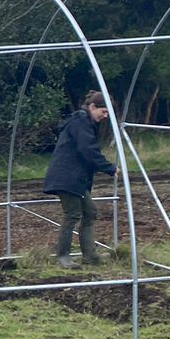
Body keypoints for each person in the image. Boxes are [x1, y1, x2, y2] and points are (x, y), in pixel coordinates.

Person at [42, 90, 117, 268]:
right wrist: (109, 168)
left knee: (90, 212)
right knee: (72, 214)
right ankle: (63, 256)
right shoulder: (81, 122)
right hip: (66, 177)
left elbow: (86, 151)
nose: (105, 116)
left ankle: (90, 256)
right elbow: (88, 150)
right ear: (92, 107)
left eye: (108, 113)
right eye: (103, 111)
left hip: (75, 178)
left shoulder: (85, 122)